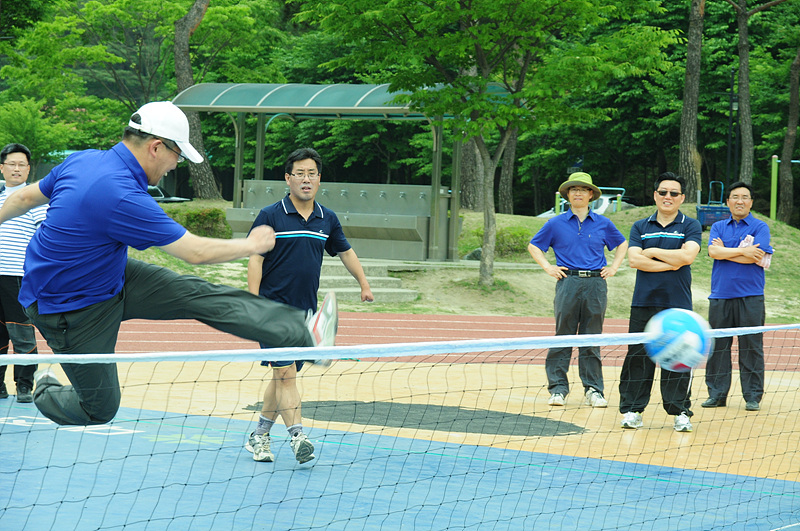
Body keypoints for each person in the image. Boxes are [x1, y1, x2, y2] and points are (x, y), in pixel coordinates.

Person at [0, 101, 337, 427]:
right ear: (156, 147)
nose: (176, 164)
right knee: (98, 409)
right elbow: (196, 252)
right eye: (177, 155)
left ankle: (302, 333)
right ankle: (45, 390)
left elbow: (25, 197)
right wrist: (250, 245)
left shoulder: (83, 160)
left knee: (195, 294)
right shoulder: (121, 196)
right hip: (69, 310)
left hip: (107, 273)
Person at [244, 147, 374, 464]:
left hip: (306, 314)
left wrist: (364, 283)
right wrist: (253, 300)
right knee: (286, 375)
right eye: (300, 173)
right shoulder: (270, 216)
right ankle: (297, 436)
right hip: (272, 311)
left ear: (319, 179)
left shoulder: (326, 219)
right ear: (288, 179)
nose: (306, 179)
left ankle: (259, 435)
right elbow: (255, 259)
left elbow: (345, 252)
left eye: (312, 174)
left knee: (281, 376)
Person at [528, 172, 628, 408]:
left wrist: (613, 267)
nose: (578, 193)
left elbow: (622, 244)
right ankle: (558, 389)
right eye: (574, 190)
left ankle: (593, 389)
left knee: (591, 337)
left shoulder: (604, 223)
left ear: (591, 194)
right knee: (563, 335)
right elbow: (534, 245)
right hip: (568, 282)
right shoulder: (555, 223)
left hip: (595, 284)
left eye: (583, 189)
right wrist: (547, 267)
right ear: (567, 195)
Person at [618, 172, 702, 432]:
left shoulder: (691, 225)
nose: (668, 197)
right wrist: (672, 262)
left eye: (673, 193)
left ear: (682, 198)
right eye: (663, 192)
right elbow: (634, 261)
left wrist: (653, 252)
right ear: (655, 195)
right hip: (643, 302)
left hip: (677, 304)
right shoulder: (640, 226)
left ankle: (680, 412)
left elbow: (687, 257)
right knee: (637, 357)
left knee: (678, 356)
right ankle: (633, 410)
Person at [702, 182, 773, 412]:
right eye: (735, 197)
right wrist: (743, 251)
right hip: (720, 295)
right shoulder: (719, 226)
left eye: (744, 197)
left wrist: (727, 253)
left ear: (751, 202)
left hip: (751, 296)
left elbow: (757, 257)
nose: (739, 201)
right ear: (728, 202)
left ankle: (752, 396)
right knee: (718, 347)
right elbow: (713, 252)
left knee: (751, 346)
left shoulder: (760, 226)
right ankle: (717, 394)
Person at [0, 143, 46, 403]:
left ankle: (25, 385)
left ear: (28, 169)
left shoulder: (35, 199)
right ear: (2, 168)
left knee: (22, 333)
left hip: (18, 277)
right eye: (11, 164)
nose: (16, 169)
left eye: (21, 165)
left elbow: (44, 236)